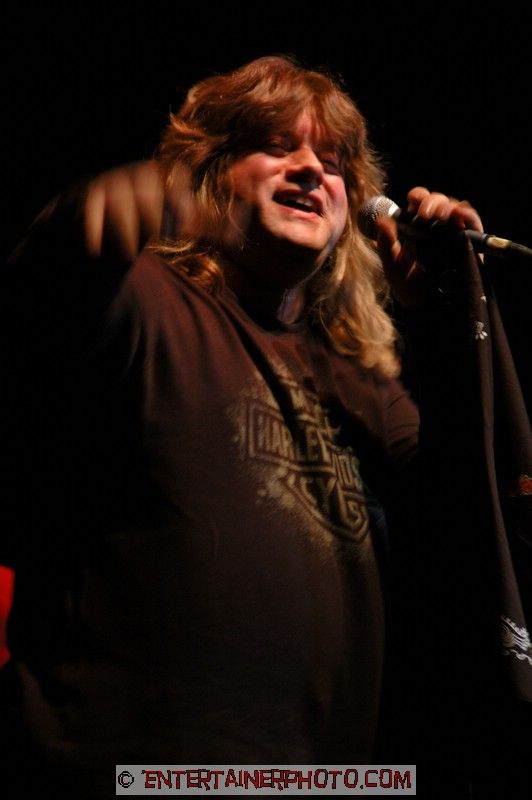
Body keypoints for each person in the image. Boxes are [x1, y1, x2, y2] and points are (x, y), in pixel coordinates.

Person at [0, 54, 528, 799]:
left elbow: (468, 512)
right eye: (277, 146)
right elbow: (35, 325)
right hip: (141, 771)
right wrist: (83, 222)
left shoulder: (358, 383)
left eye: (333, 163)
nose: (311, 169)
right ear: (213, 174)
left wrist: (446, 314)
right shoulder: (145, 298)